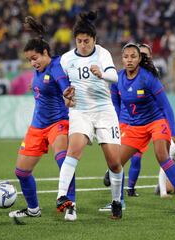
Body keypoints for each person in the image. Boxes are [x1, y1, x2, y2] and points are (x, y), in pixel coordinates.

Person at [101, 43, 175, 213]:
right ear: (121, 59)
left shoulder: (148, 78)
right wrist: (112, 126)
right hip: (135, 126)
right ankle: (119, 201)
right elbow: (115, 105)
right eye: (126, 57)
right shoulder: (117, 79)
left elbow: (166, 107)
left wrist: (174, 132)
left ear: (139, 59)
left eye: (133, 57)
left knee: (162, 156)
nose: (129, 60)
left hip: (156, 122)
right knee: (116, 163)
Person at [55, 11, 124, 220]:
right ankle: (61, 196)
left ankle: (116, 201)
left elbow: (114, 76)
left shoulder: (102, 54)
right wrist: (65, 96)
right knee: (74, 149)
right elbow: (63, 88)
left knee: (114, 163)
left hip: (104, 110)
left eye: (87, 41)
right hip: (80, 111)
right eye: (79, 41)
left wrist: (101, 74)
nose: (83, 44)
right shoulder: (66, 59)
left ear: (94, 40)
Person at [8, 17, 76, 221]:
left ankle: (70, 204)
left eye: (35, 58)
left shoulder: (56, 67)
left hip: (58, 123)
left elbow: (64, 85)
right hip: (37, 126)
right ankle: (33, 209)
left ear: (46, 53)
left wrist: (68, 94)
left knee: (64, 161)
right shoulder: (38, 70)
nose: (32, 63)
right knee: (21, 171)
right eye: (29, 60)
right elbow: (43, 85)